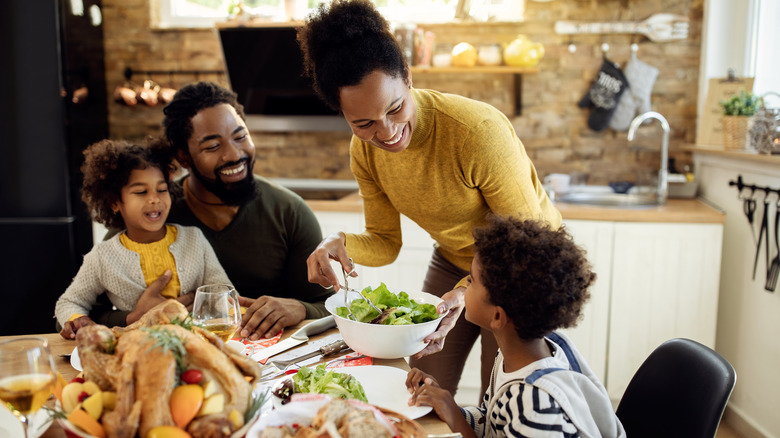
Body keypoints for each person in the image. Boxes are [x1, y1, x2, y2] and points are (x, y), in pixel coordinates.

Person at [300, 0, 561, 396]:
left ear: (407, 76)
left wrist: (469, 289)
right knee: (422, 385)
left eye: (395, 108)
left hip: (521, 269)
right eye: (364, 122)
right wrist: (337, 244)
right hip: (455, 258)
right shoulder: (364, 150)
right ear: (343, 113)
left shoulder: (476, 133)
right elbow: (386, 243)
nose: (386, 132)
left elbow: (527, 242)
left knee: (506, 396)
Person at [406, 217, 625, 437]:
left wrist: (452, 412)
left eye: (471, 281)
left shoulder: (537, 407)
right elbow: (491, 424)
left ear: (498, 316)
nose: (464, 286)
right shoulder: (516, 357)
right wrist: (442, 401)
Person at [55, 138, 231, 339]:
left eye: (162, 189)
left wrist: (206, 308)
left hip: (195, 341)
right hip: (137, 347)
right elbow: (69, 302)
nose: (155, 199)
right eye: (141, 191)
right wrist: (78, 318)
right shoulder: (102, 257)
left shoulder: (194, 239)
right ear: (114, 202)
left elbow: (223, 294)